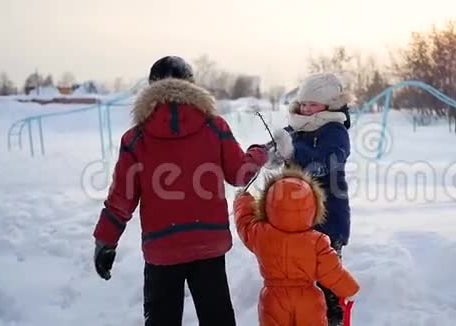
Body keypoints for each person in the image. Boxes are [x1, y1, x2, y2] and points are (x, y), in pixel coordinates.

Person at [92, 55, 270, 326]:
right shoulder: (215, 126)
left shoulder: (136, 138)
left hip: (162, 248)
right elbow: (239, 174)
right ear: (193, 87)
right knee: (217, 318)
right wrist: (258, 153)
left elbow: (121, 199)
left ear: (151, 88)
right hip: (208, 244)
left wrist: (105, 241)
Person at [274, 72, 355, 325]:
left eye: (313, 104)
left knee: (328, 276)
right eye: (304, 103)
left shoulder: (335, 131)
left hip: (329, 218)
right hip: (297, 220)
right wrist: (266, 154)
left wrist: (293, 151)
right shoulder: (297, 127)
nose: (307, 108)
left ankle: (334, 318)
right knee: (302, 279)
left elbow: (325, 163)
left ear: (330, 104)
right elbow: (275, 148)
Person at [234, 166, 359, 326]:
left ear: (267, 206)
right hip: (309, 301)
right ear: (313, 208)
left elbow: (244, 222)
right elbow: (332, 272)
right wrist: (349, 289)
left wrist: (243, 200)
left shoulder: (260, 235)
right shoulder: (317, 241)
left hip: (273, 300)